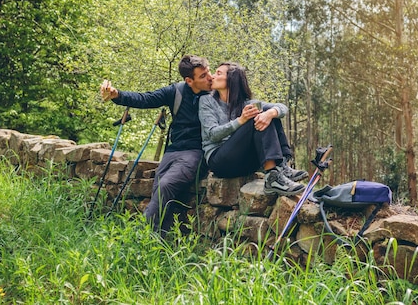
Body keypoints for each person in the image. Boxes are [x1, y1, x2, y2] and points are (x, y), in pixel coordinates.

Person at [100, 55, 213, 234]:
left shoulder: (217, 94)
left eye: (209, 72)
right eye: (203, 76)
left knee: (166, 185)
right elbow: (146, 99)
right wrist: (117, 95)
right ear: (189, 80)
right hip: (173, 151)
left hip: (196, 152)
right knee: (160, 191)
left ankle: (140, 236)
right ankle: (157, 241)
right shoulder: (176, 91)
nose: (210, 77)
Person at [198, 62, 308, 196]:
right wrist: (241, 120)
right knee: (255, 118)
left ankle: (280, 168)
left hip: (245, 163)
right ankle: (273, 179)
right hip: (220, 162)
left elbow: (282, 108)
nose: (213, 77)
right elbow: (212, 134)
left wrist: (270, 113)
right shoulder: (206, 101)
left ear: (232, 80)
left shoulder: (246, 104)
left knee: (269, 115)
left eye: (218, 73)